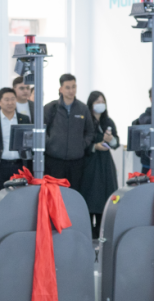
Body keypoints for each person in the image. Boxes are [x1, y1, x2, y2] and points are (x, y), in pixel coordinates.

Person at [43, 74, 93, 191]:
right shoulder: (50, 108)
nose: (71, 91)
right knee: (54, 194)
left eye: (73, 87)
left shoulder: (83, 109)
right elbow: (42, 130)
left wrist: (81, 145)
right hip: (54, 161)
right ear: (61, 89)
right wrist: (49, 143)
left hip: (76, 162)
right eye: (67, 87)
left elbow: (90, 131)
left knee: (74, 194)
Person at [81, 91, 119, 239]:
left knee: (105, 196)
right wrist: (94, 146)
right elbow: (81, 142)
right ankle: (89, 231)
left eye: (102, 101)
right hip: (90, 163)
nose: (100, 104)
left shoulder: (108, 122)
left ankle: (102, 231)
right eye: (97, 101)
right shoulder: (86, 121)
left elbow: (116, 143)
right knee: (90, 196)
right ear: (91, 104)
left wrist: (111, 139)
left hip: (105, 164)